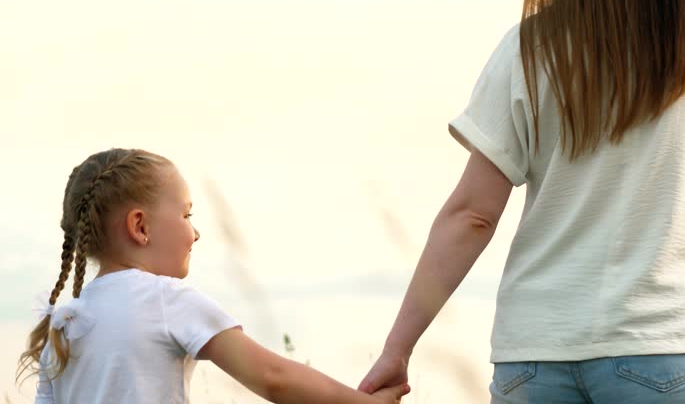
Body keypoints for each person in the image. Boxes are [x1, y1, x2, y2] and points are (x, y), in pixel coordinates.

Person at [359, 0, 685, 403]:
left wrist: (398, 348)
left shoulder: (529, 48)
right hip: (669, 349)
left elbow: (472, 215)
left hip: (536, 360)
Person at [17, 148, 410, 404]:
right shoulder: (165, 300)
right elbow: (273, 377)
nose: (195, 232)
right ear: (140, 226)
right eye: (187, 215)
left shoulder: (67, 323)